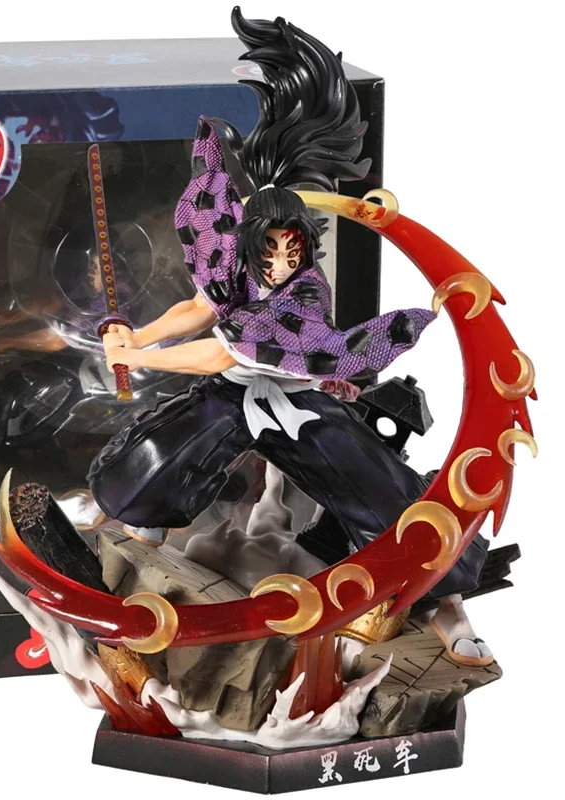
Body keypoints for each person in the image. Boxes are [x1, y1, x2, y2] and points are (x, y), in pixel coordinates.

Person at [77, 9, 492, 667]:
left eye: (291, 250)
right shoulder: (235, 260)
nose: (278, 263)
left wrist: (139, 356)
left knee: (389, 505)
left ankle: (447, 607)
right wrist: (139, 333)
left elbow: (217, 351)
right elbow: (198, 307)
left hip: (298, 404)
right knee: (149, 465)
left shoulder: (304, 297)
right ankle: (133, 557)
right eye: (268, 250)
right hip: (230, 398)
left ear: (305, 245)